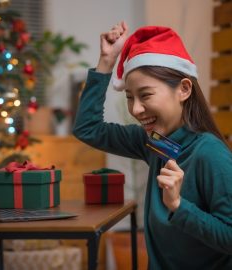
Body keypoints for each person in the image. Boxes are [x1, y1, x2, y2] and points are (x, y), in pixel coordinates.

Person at [73, 21, 232, 269]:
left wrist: (178, 206)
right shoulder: (157, 143)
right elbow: (88, 129)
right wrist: (106, 61)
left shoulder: (210, 154)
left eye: (145, 95)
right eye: (129, 97)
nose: (136, 109)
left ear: (184, 89)